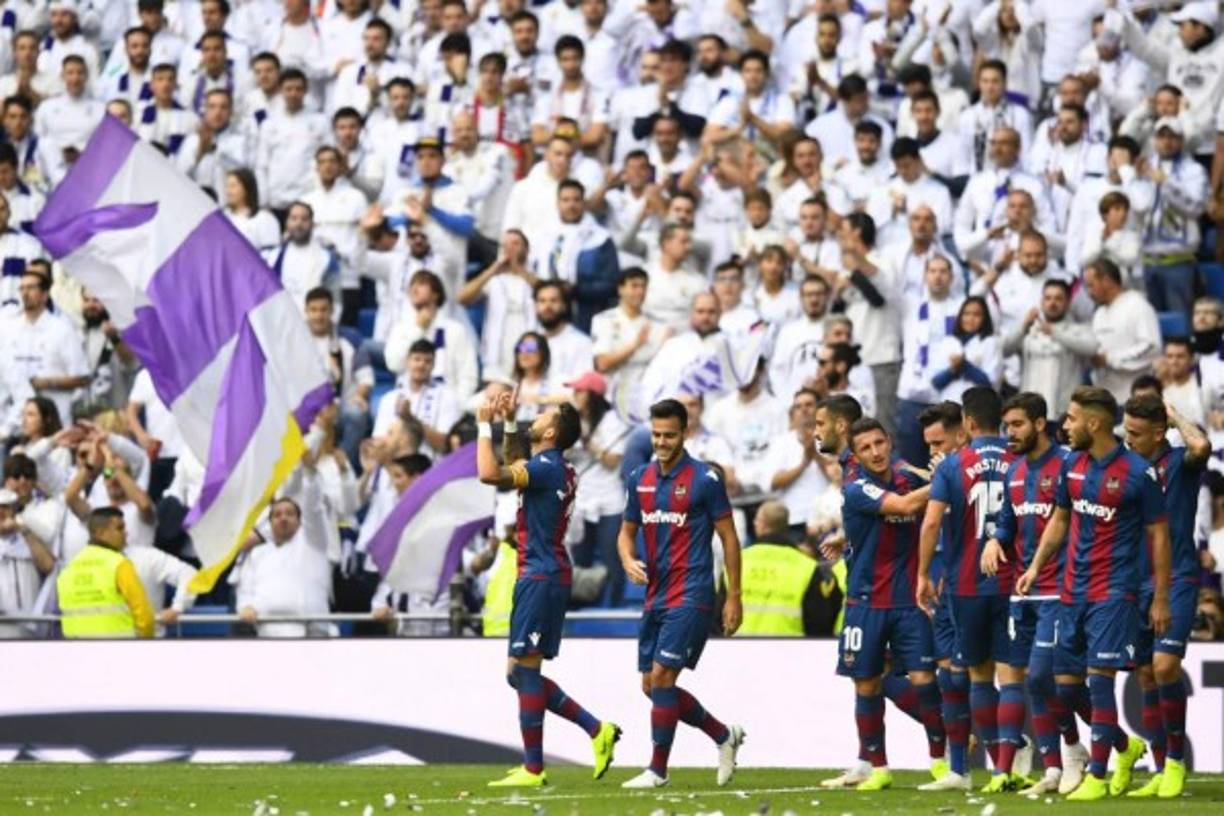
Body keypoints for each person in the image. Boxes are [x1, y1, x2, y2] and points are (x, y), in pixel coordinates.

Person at [1016, 386, 1170, 801]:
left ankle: (1097, 776)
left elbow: (1158, 536)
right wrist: (1034, 567)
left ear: (1095, 423)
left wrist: (1159, 595)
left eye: (1071, 418)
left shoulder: (1139, 473)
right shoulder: (1073, 467)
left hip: (1114, 593)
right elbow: (1061, 519)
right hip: (1072, 590)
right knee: (1065, 687)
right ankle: (1124, 746)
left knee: (1099, 683)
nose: (1064, 426)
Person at [475, 391, 619, 788]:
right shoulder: (555, 467)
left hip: (541, 575)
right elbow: (516, 462)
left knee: (525, 671)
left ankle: (534, 768)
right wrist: (508, 423)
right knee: (517, 674)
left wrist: (483, 425)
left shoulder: (548, 468)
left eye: (541, 414)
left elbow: (491, 473)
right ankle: (596, 729)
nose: (533, 416)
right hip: (542, 572)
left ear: (550, 431)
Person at [617, 398, 745, 789]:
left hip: (692, 592)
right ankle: (724, 735)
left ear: (685, 433)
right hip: (655, 594)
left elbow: (728, 537)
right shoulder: (640, 476)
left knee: (662, 677)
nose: (661, 442)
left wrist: (734, 595)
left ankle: (657, 770)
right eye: (656, 434)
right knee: (651, 686)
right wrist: (627, 559)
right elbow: (625, 533)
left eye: (669, 435)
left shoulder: (705, 479)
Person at [981, 392, 1090, 796]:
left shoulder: (1068, 464)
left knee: (1048, 678)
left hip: (1061, 590)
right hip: (1022, 592)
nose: (1010, 433)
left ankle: (1085, 749)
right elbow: (1007, 522)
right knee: (1034, 682)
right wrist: (995, 540)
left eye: (1018, 425)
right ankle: (1054, 769)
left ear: (1040, 424)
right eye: (1007, 425)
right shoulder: (1013, 470)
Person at [827, 416, 942, 792]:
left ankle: (941, 763)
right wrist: (945, 478)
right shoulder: (857, 486)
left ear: (889, 442)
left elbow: (936, 505)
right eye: (866, 448)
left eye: (879, 443)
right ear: (856, 456)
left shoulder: (907, 476)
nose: (875, 452)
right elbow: (909, 506)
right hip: (865, 602)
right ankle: (878, 767)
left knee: (925, 681)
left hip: (908, 600)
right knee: (868, 685)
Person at [918, 387, 1020, 792]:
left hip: (966, 582)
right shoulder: (1020, 459)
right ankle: (1007, 770)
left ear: (969, 422)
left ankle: (962, 771)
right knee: (1013, 677)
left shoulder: (952, 466)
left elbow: (930, 524)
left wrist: (924, 573)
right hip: (1015, 582)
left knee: (977, 676)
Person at [1118, 394, 1210, 799]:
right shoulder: (1127, 468)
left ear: (1160, 433)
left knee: (1166, 664)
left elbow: (1201, 446)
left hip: (1177, 579)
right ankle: (1158, 766)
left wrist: (1176, 416)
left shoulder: (1179, 464)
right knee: (1145, 672)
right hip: (1133, 581)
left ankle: (1175, 762)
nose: (1129, 439)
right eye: (1126, 431)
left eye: (1137, 433)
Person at [736, 500, 836, 637]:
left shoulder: (737, 562)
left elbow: (717, 612)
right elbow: (820, 621)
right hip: (792, 652)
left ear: (762, 525)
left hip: (737, 650)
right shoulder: (808, 567)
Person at [56, 507, 154, 639]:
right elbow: (143, 615)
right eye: (120, 528)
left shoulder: (69, 569)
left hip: (77, 653)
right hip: (117, 651)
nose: (125, 533)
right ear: (100, 533)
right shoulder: (119, 564)